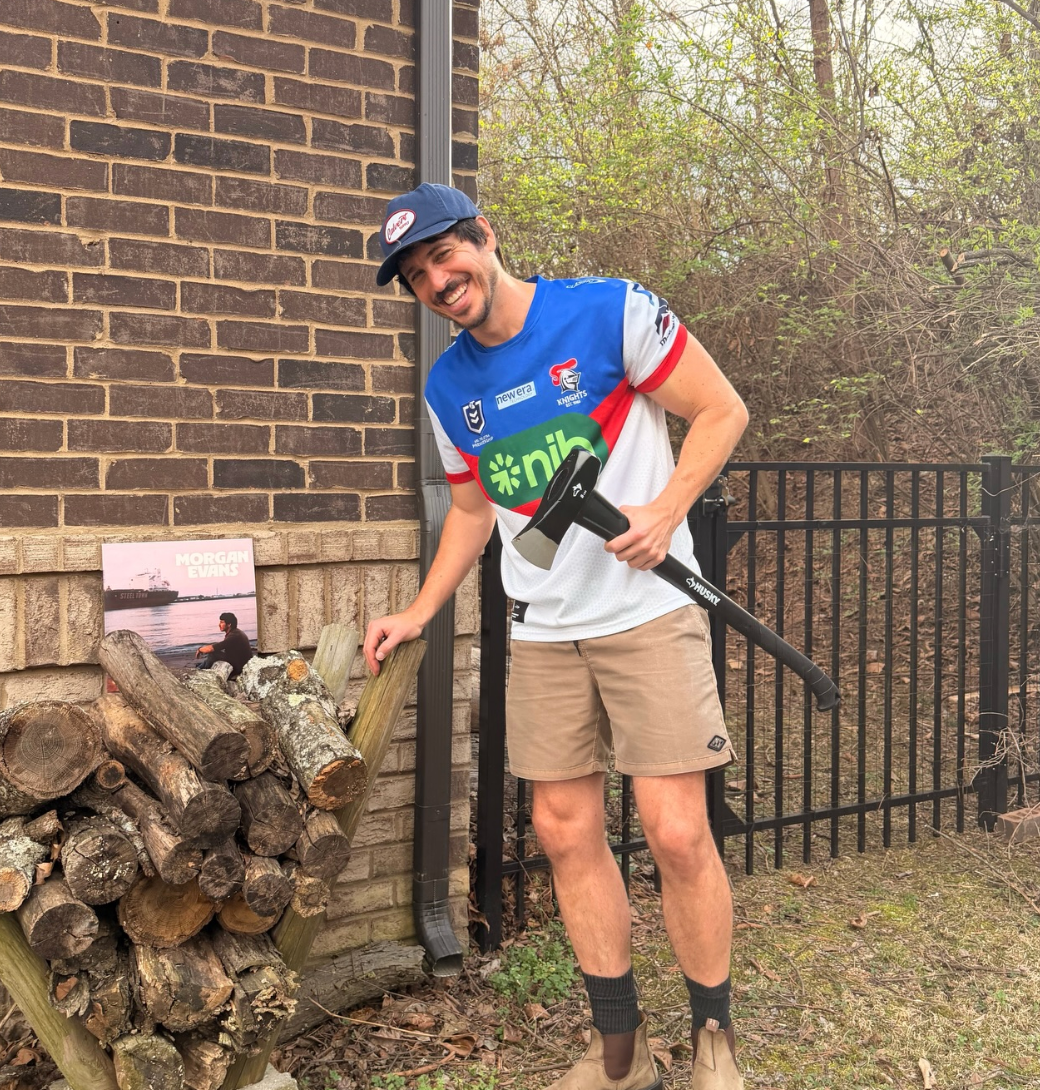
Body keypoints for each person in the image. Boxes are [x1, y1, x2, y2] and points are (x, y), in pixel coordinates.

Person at [363, 183, 749, 1090]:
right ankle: (621, 1051)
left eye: (442, 256)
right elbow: (469, 508)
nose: (436, 280)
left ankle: (713, 1042)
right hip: (543, 630)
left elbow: (721, 408)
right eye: (417, 276)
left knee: (677, 831)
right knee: (564, 830)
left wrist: (666, 508)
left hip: (648, 613)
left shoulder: (608, 311)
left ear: (484, 239)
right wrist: (422, 609)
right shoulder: (449, 384)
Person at [195, 612, 254, 678]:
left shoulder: (234, 636)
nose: (219, 625)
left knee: (213, 653)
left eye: (222, 622)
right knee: (212, 654)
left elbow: (215, 647)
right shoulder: (235, 632)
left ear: (229, 624)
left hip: (240, 666)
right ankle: (201, 666)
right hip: (238, 661)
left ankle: (199, 671)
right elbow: (218, 646)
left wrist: (200, 649)